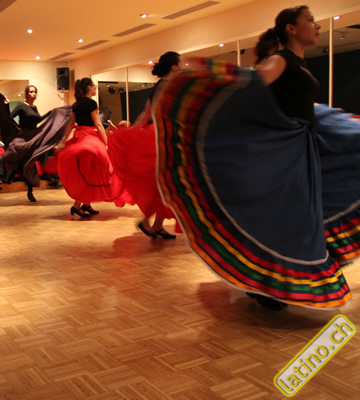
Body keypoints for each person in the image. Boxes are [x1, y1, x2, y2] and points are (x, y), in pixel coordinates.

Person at [153, 5, 359, 310]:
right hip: (286, 149)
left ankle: (272, 283)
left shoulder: (299, 64)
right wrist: (212, 75)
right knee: (282, 216)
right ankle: (266, 284)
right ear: (291, 28)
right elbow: (257, 80)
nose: (316, 26)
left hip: (303, 144)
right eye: (310, 21)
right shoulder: (281, 59)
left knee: (297, 214)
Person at [108, 52, 181, 239]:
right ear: (174, 67)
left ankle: (156, 225)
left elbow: (146, 114)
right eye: (180, 65)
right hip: (164, 138)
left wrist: (133, 132)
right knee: (168, 184)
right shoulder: (171, 87)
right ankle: (148, 219)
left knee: (165, 184)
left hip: (157, 136)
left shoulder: (159, 87)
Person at [56, 77, 132, 217]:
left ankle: (85, 204)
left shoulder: (77, 104)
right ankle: (77, 205)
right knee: (101, 169)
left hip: (80, 139)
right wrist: (107, 143)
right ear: (89, 88)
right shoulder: (91, 103)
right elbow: (98, 124)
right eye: (94, 86)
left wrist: (63, 141)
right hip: (90, 138)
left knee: (89, 171)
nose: (95, 88)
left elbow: (70, 124)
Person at [0, 86, 72, 203]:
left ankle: (28, 188)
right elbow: (10, 117)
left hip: (33, 137)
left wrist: (50, 113)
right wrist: (6, 106)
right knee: (22, 156)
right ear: (26, 94)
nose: (33, 94)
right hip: (23, 137)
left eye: (35, 92)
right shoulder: (21, 106)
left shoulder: (34, 108)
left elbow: (38, 120)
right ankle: (3, 163)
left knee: (30, 162)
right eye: (31, 92)